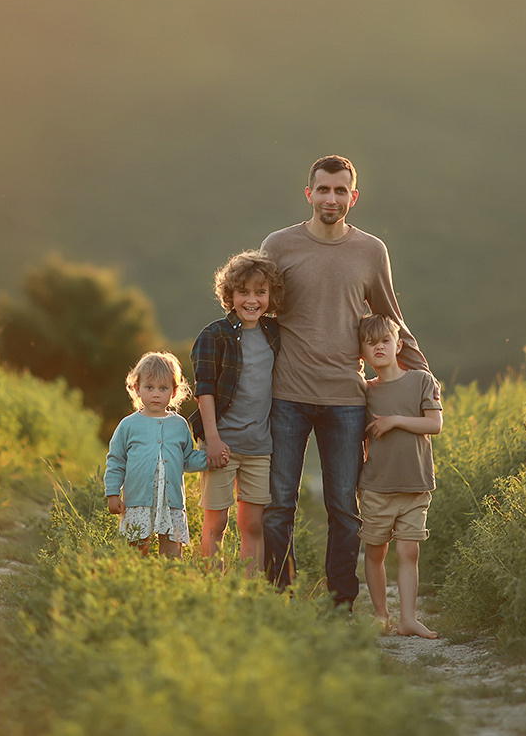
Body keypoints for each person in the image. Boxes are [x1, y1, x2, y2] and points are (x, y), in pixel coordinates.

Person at [260, 154, 435, 607]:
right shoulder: (278, 246)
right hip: (286, 396)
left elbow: (390, 317)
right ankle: (281, 599)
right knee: (279, 506)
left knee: (344, 509)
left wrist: (423, 379)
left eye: (341, 191)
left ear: (353, 197)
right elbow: (255, 311)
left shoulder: (371, 250)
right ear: (309, 193)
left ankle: (341, 603)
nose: (331, 198)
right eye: (323, 189)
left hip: (346, 400)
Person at [188, 250, 283, 575]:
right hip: (223, 444)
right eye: (244, 292)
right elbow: (205, 390)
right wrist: (212, 439)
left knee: (253, 524)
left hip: (260, 448)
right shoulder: (214, 336)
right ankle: (213, 587)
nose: (252, 300)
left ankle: (247, 589)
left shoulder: (275, 334)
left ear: (270, 295)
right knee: (217, 521)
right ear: (230, 295)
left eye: (260, 292)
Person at [356, 313, 443, 637]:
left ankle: (408, 619)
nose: (379, 347)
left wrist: (394, 420)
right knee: (376, 551)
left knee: (409, 551)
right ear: (362, 353)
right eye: (371, 343)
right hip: (377, 486)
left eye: (385, 341)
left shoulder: (421, 380)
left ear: (398, 344)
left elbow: (434, 424)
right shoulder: (363, 391)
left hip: (415, 483)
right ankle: (381, 615)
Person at [104, 351, 208, 558]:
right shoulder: (128, 425)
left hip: (171, 502)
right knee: (135, 551)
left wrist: (209, 459)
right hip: (137, 501)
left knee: (172, 553)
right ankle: (135, 586)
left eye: (163, 388)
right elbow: (116, 460)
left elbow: (187, 459)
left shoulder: (179, 425)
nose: (156, 394)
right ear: (137, 388)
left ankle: (169, 585)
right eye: (149, 388)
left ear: (174, 390)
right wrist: (112, 493)